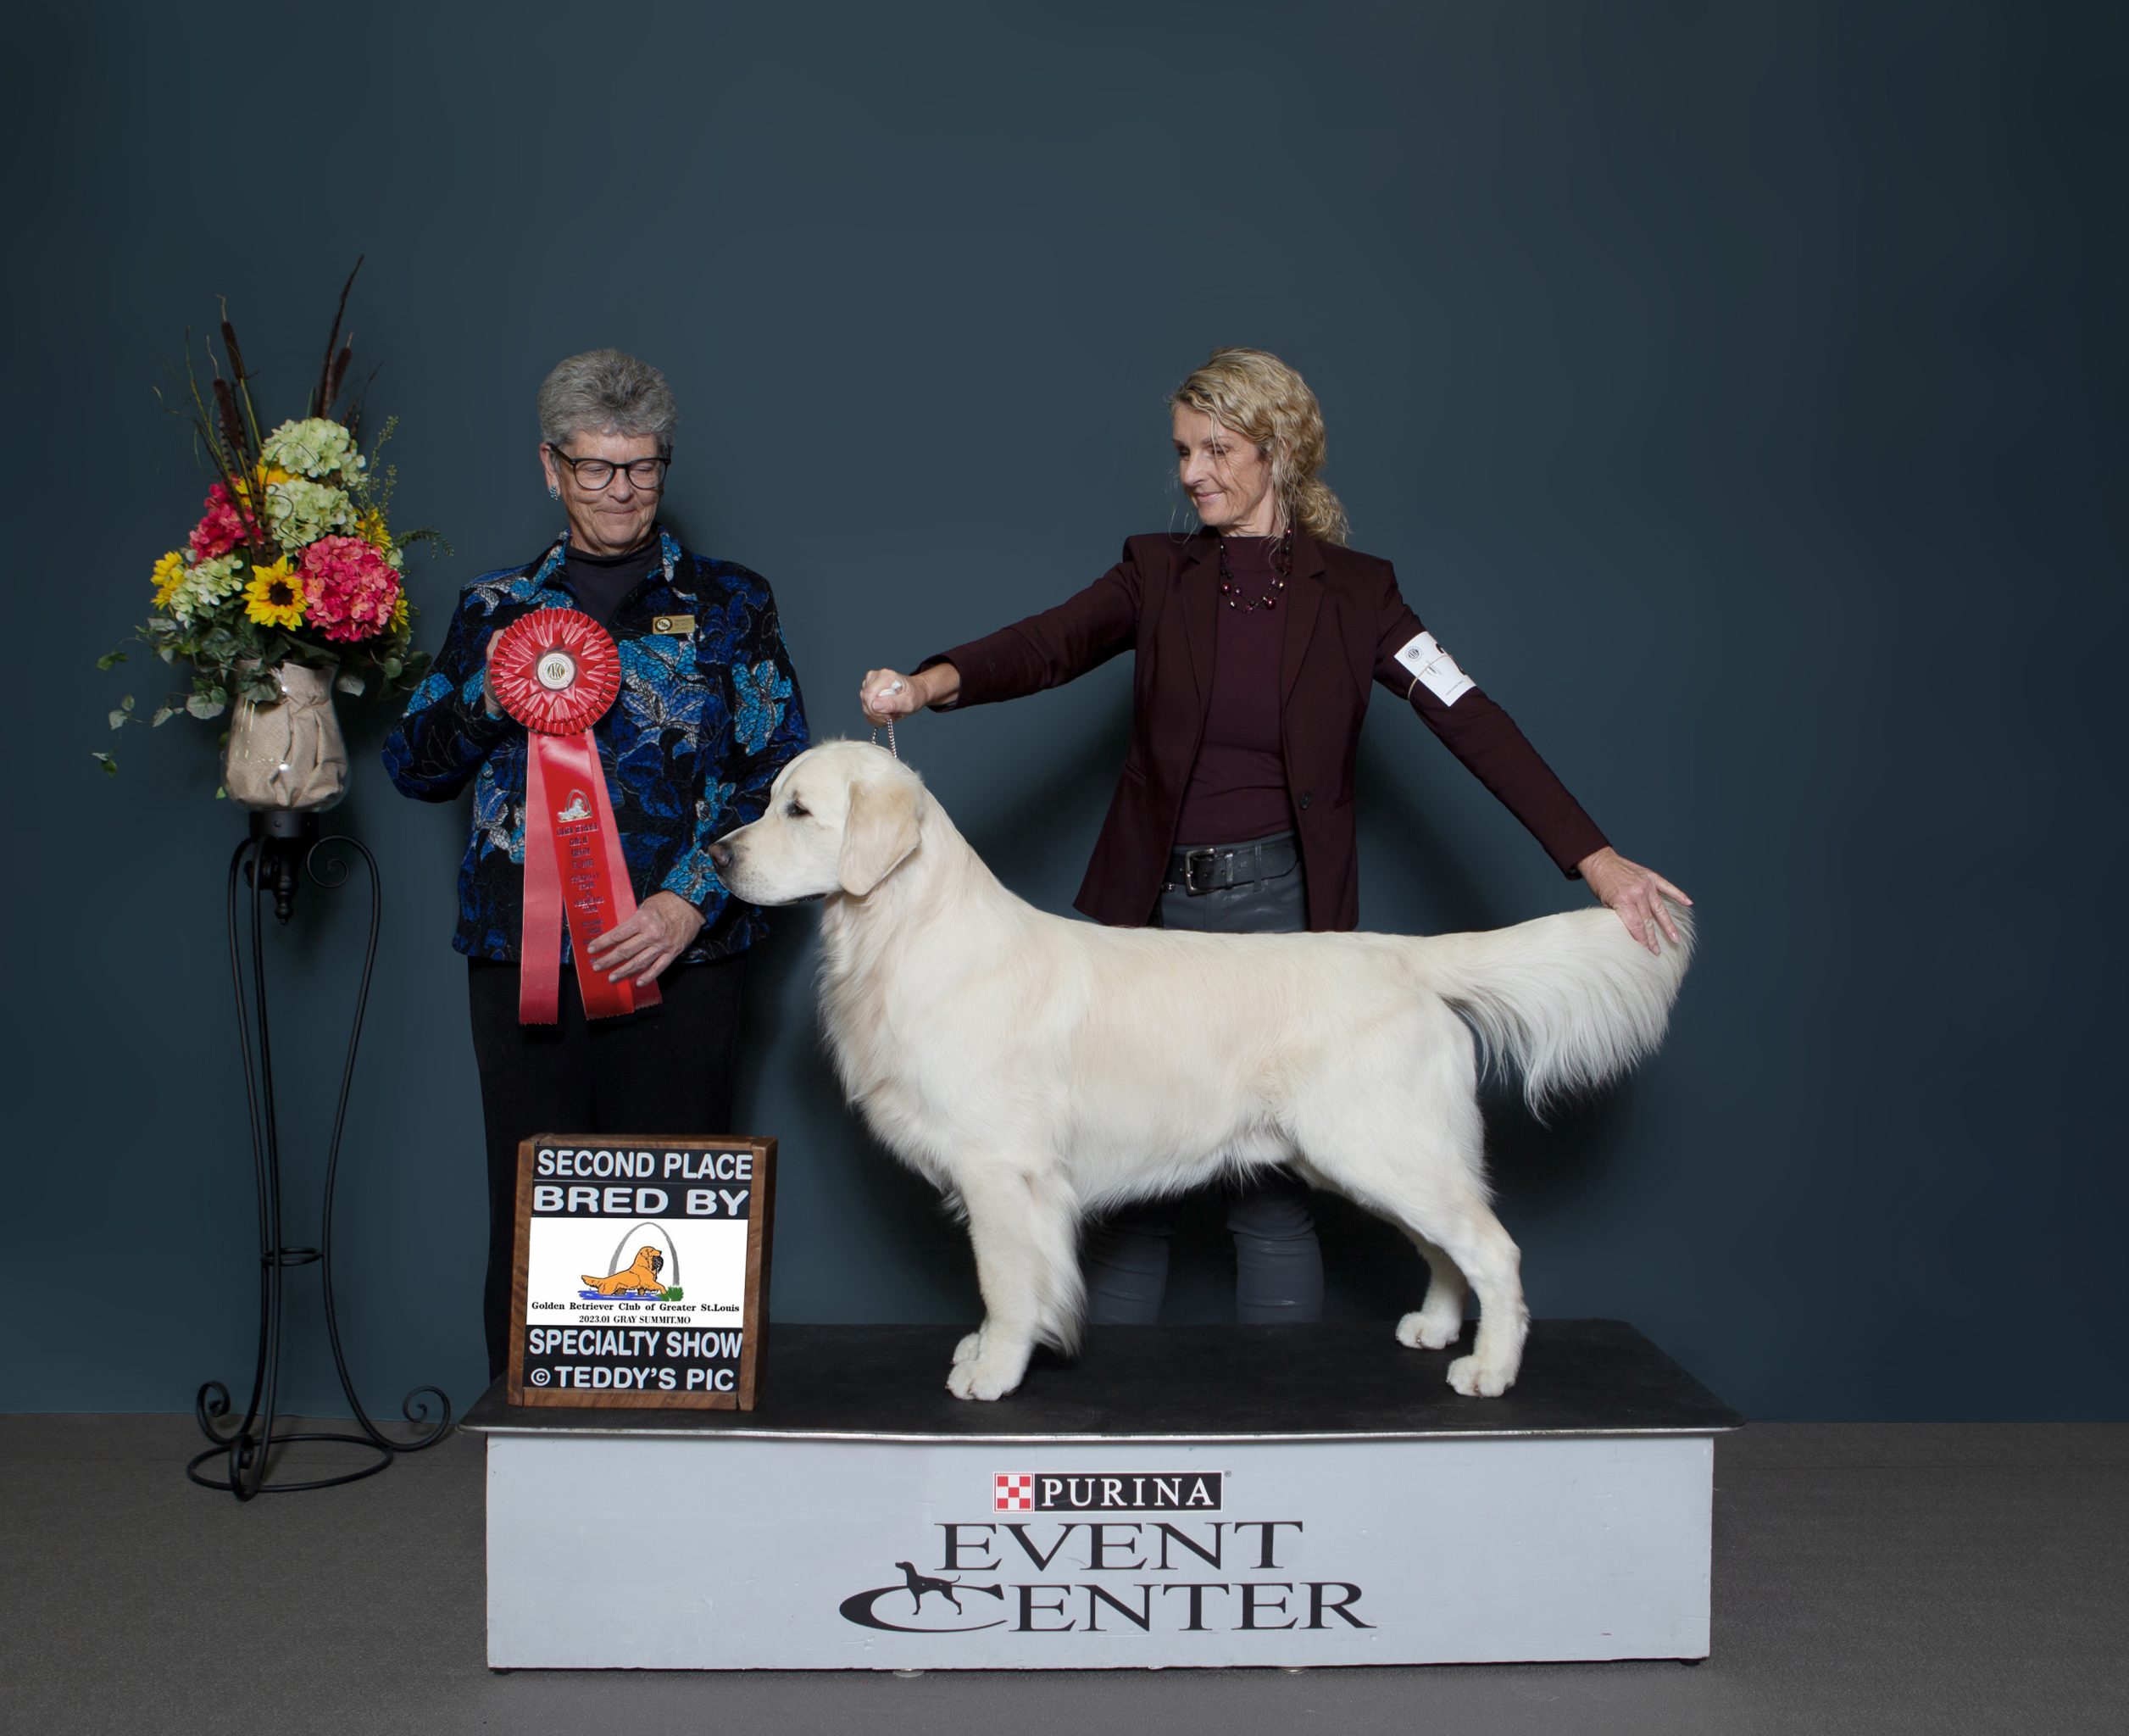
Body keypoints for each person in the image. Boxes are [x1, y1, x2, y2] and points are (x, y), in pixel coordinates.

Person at [860, 346, 1687, 1329]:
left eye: (1217, 449)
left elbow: (1468, 716)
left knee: (1274, 1191)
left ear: (1278, 449)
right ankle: (1106, 1407)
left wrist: (1594, 857)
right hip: (1144, 917)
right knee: (1124, 1197)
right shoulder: (1155, 573)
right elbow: (1047, 643)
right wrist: (927, 684)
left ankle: (1282, 1405)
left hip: (1279, 916)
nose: (1192, 472)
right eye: (1182, 450)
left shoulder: (1361, 595)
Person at [385, 348, 808, 1376]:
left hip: (683, 959)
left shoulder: (731, 602)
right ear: (551, 466)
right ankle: (528, 1432)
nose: (621, 489)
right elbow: (413, 766)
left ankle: (669, 1442)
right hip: (520, 959)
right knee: (533, 1203)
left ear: (664, 464)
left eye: (642, 466)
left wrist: (688, 901)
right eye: (595, 467)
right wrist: (494, 692)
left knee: (672, 1208)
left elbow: (777, 773)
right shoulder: (493, 606)